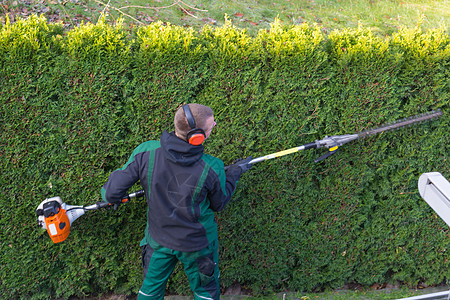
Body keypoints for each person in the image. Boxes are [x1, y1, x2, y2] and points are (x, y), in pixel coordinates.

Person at [101, 103, 252, 300]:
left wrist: (114, 197)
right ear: (197, 136)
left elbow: (110, 193)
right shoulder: (212, 167)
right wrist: (233, 174)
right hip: (198, 246)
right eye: (211, 124)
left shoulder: (146, 152)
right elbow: (219, 203)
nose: (214, 124)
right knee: (205, 294)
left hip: (158, 241)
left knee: (150, 293)